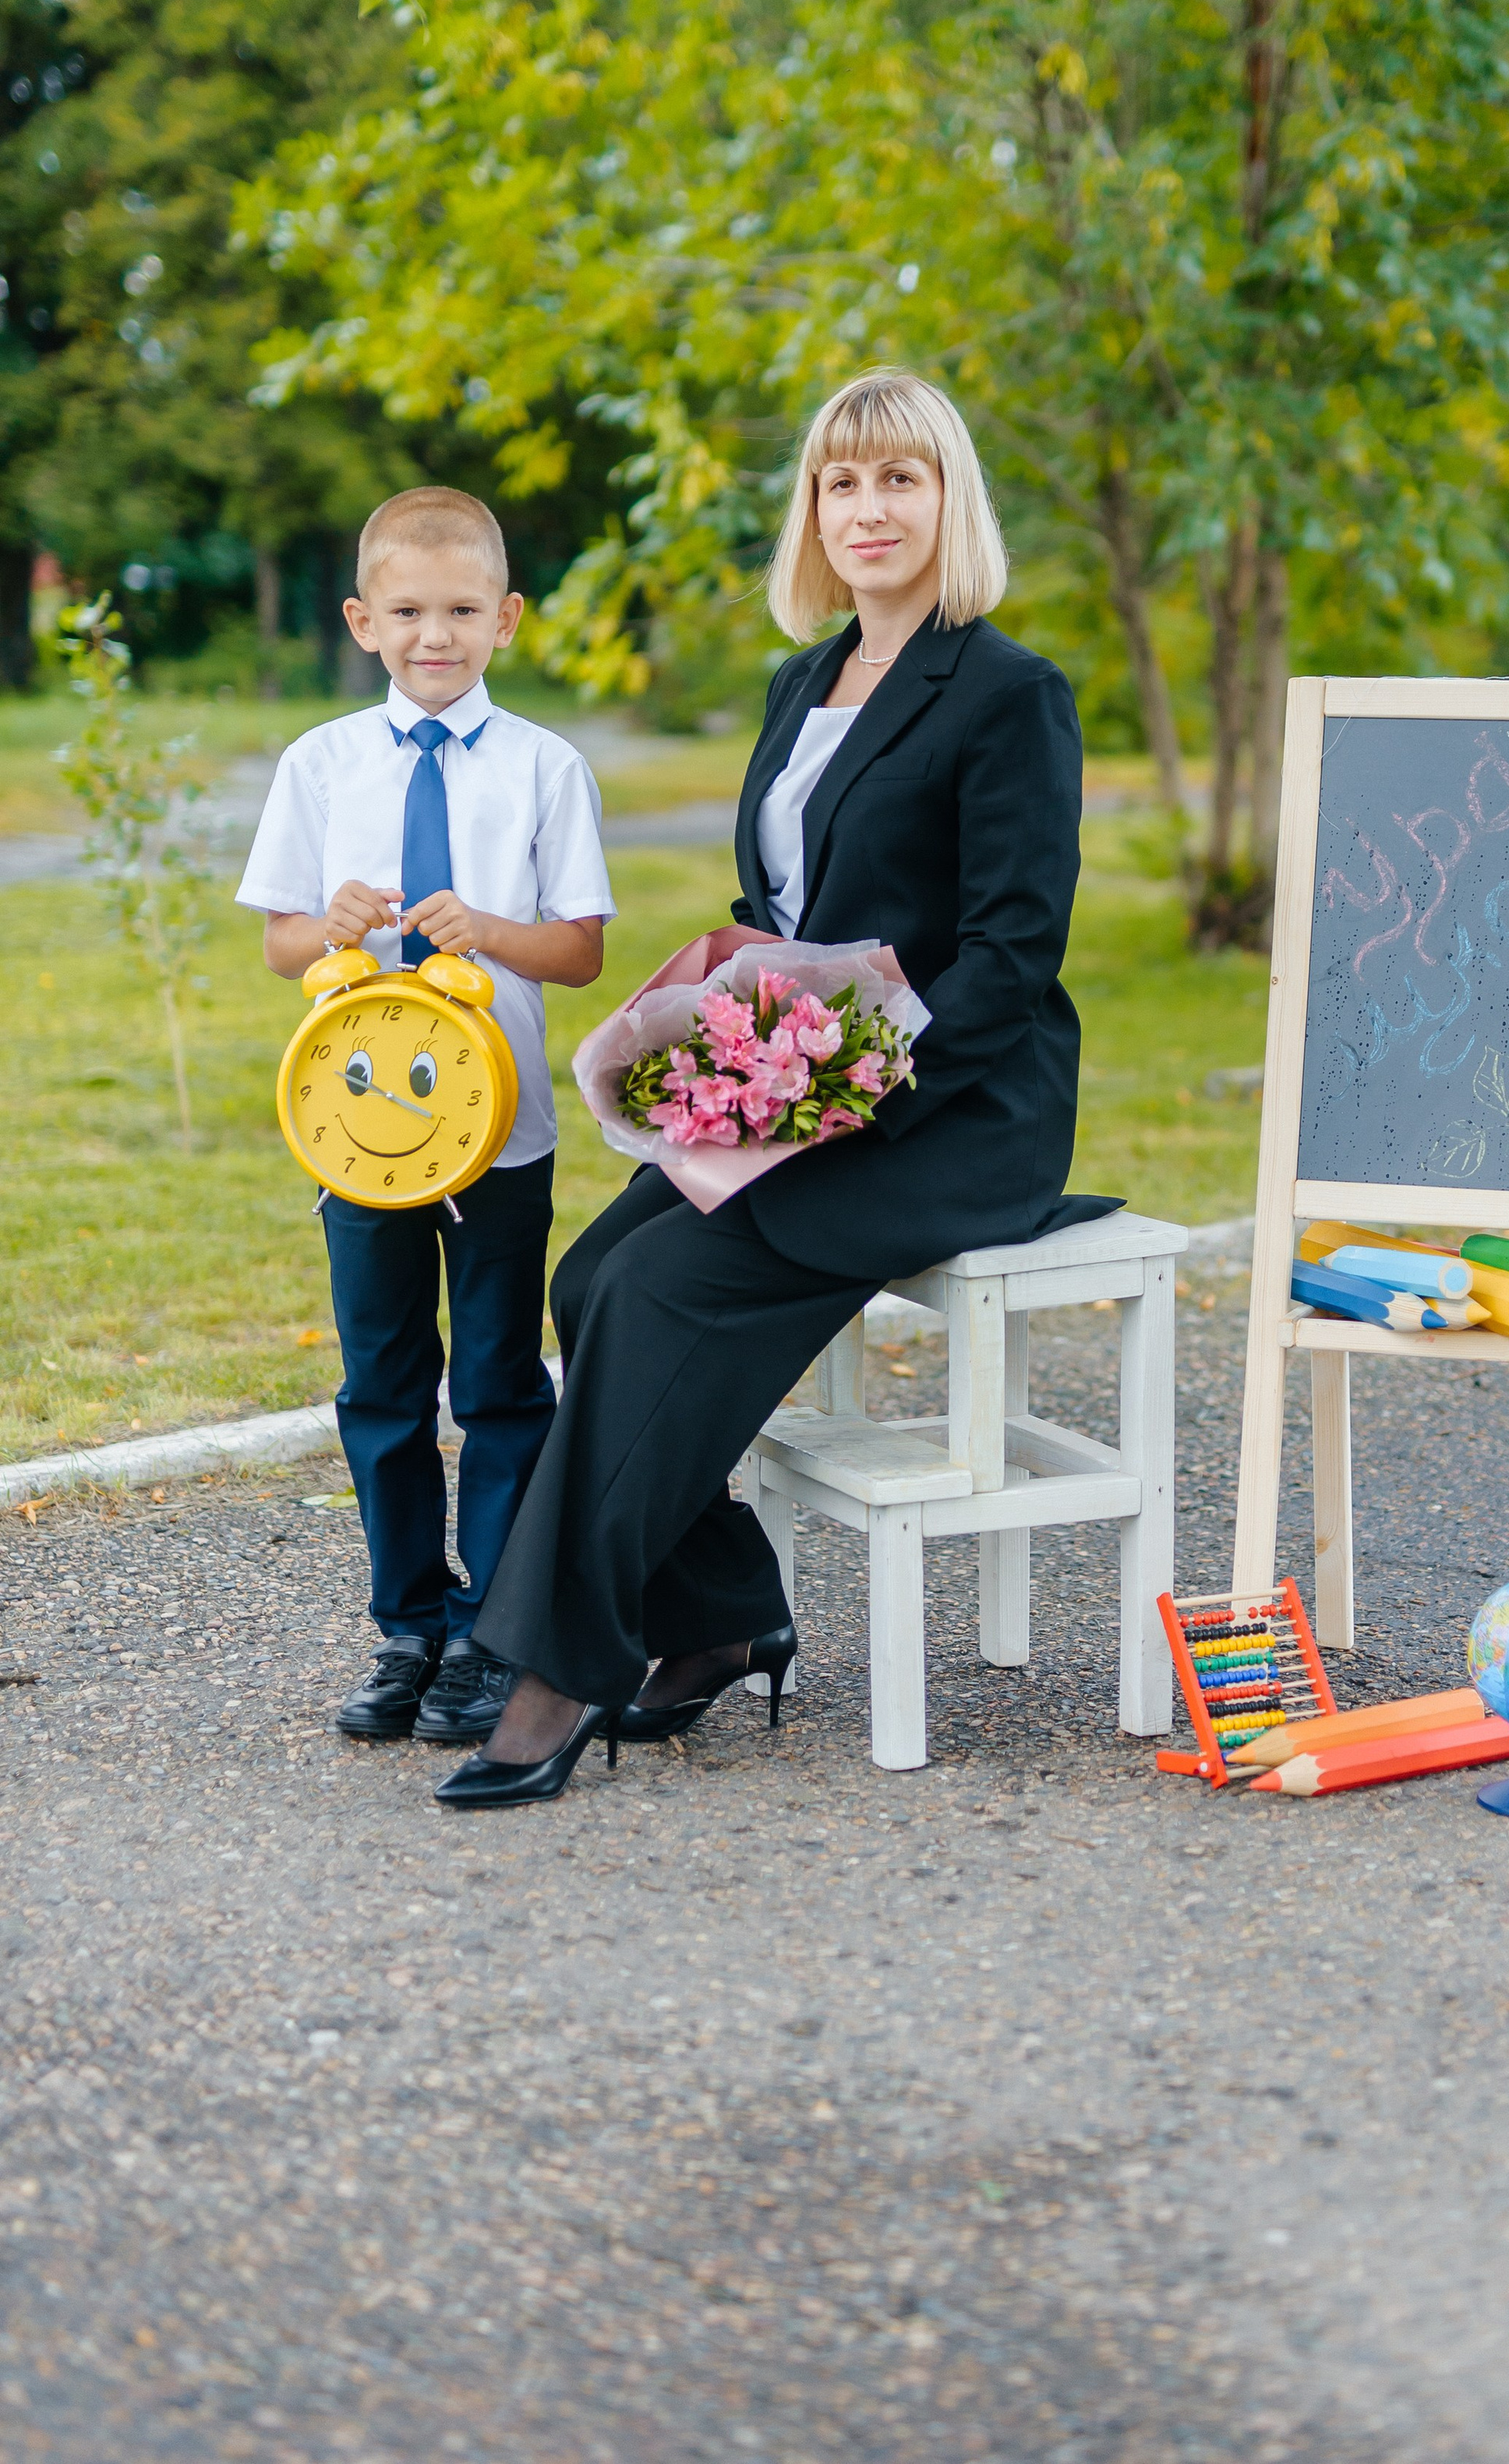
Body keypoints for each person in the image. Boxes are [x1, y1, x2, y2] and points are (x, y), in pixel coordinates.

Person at [438, 369, 1112, 1808]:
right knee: (589, 1278)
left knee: (661, 1289)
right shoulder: (802, 684)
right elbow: (778, 900)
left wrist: (844, 1091)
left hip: (947, 1111)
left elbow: (1009, 955)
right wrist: (724, 1035)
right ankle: (725, 1613)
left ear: (950, 502)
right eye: (842, 483)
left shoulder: (1008, 694)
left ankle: (562, 1665)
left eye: (901, 481)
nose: (869, 509)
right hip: (792, 1088)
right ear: (814, 509)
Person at [237, 486, 614, 1749]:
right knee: (382, 1382)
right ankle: (411, 1625)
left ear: (506, 618)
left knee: (502, 1379)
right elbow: (283, 938)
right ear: (362, 619)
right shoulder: (322, 764)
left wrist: (489, 929)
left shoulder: (546, 768)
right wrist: (326, 929)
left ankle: (496, 1641)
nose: (434, 635)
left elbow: (577, 953)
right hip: (362, 1139)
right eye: (407, 611)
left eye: (461, 611)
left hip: (501, 1139)